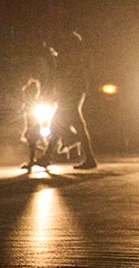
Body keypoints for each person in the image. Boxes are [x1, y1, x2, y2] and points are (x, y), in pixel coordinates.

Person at [35, 30, 98, 170]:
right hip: (71, 93)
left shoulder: (73, 58)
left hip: (71, 93)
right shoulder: (72, 57)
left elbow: (70, 77)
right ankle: (48, 157)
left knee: (64, 124)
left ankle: (85, 155)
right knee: (60, 125)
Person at [19, 77, 45, 172]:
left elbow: (32, 118)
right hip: (32, 126)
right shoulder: (29, 103)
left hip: (33, 126)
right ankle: (44, 156)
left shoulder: (31, 103)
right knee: (32, 144)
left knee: (32, 144)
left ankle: (33, 161)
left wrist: (30, 128)